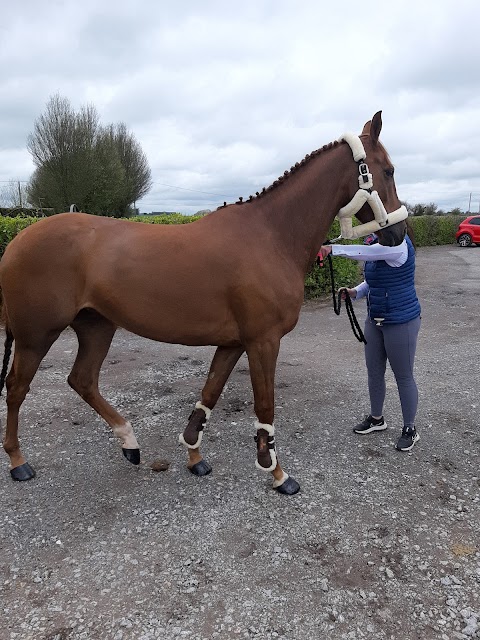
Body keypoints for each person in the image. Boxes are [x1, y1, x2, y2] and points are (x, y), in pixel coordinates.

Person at [318, 223, 421, 451]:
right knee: (374, 372)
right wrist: (355, 292)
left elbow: (372, 254)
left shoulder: (399, 245)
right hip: (375, 319)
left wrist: (332, 249)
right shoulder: (378, 241)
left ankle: (410, 429)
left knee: (403, 377)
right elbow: (373, 279)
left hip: (400, 321)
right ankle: (377, 419)